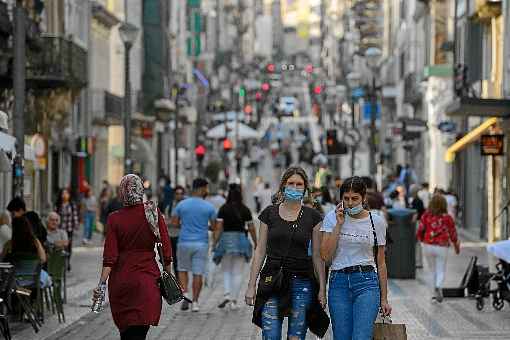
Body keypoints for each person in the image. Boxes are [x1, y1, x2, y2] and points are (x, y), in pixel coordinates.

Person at [245, 167, 329, 339]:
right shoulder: (269, 214)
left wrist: (322, 288)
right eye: (291, 183)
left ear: (305, 188)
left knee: (296, 337)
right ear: (283, 186)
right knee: (270, 335)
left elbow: (316, 255)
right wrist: (251, 285)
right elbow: (260, 251)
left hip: (302, 281)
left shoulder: (313, 217)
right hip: (272, 280)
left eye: (299, 184)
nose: (295, 187)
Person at [92, 174, 172, 340]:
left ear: (122, 193)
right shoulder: (152, 212)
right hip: (147, 281)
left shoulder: (114, 218)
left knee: (126, 333)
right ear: (141, 190)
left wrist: (101, 285)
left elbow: (110, 257)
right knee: (140, 331)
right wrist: (168, 274)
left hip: (122, 282)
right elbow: (166, 250)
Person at [320, 176, 391, 340]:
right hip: (339, 282)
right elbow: (325, 255)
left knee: (361, 336)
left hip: (367, 282)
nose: (350, 203)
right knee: (341, 336)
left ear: (364, 198)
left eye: (355, 198)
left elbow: (381, 263)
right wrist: (338, 224)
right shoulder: (331, 217)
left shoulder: (376, 222)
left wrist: (384, 298)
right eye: (346, 198)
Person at [171, 178, 220, 312]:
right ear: (203, 188)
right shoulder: (209, 206)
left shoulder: (182, 205)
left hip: (184, 242)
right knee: (198, 272)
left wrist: (185, 225)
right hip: (201, 243)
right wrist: (206, 227)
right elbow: (214, 225)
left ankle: (185, 293)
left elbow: (174, 223)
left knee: (182, 270)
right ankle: (196, 302)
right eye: (206, 188)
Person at [214, 184, 257, 310]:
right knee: (238, 272)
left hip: (226, 241)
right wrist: (256, 243)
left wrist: (215, 243)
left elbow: (218, 228)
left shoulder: (223, 209)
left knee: (226, 270)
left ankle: (227, 293)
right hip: (241, 241)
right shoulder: (245, 209)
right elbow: (251, 228)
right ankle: (234, 300)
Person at [416, 194, 460, 303]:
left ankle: (433, 295)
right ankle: (438, 286)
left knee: (432, 270)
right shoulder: (447, 217)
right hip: (442, 246)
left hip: (428, 245)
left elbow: (420, 230)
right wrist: (456, 246)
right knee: (441, 269)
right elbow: (453, 233)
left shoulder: (426, 216)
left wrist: (421, 240)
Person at [2, 217, 51, 288]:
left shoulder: (10, 244)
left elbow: (2, 261)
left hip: (16, 282)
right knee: (46, 278)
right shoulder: (35, 242)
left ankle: (24, 295)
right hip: (36, 280)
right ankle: (29, 295)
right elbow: (43, 259)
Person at [56, 188, 80, 270]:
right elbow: (56, 216)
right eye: (63, 194)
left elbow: (75, 216)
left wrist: (76, 226)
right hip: (60, 229)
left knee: (68, 247)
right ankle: (61, 262)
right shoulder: (58, 205)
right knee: (61, 246)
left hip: (69, 229)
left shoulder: (72, 205)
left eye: (66, 193)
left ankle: (67, 262)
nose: (64, 195)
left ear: (69, 195)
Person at [167, 185, 186, 275]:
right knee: (174, 258)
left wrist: (175, 223)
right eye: (177, 193)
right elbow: (166, 220)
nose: (179, 195)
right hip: (171, 235)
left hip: (182, 236)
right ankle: (178, 279)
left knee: (181, 258)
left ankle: (181, 279)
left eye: (181, 193)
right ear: (174, 194)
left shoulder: (186, 206)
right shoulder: (170, 205)